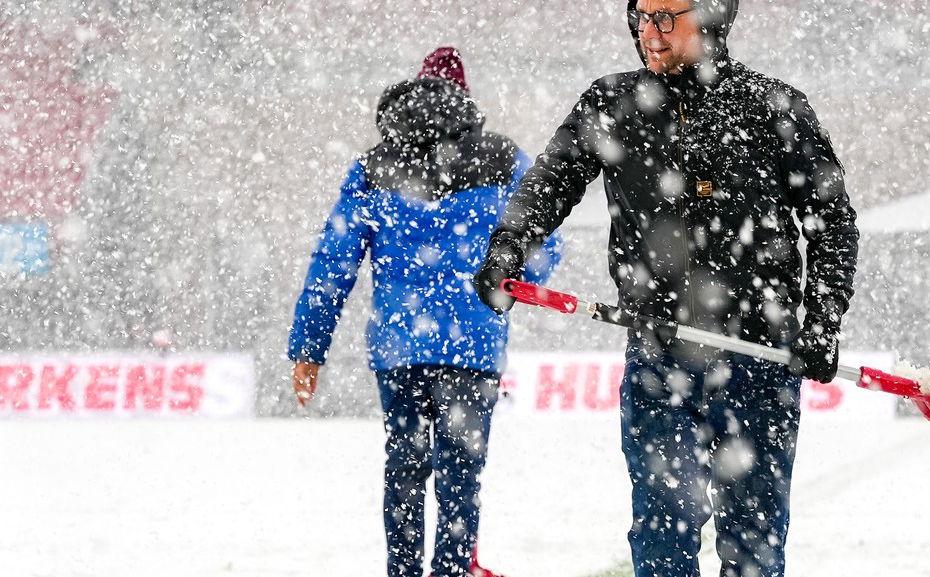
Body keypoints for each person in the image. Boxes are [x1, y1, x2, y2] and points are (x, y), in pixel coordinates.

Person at [472, 2, 859, 576]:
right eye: (641, 15)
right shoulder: (611, 103)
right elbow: (551, 182)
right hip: (658, 355)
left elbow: (832, 222)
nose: (648, 33)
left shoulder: (774, 108)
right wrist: (509, 243)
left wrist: (822, 322)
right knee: (661, 535)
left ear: (711, 18)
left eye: (666, 17)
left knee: (753, 544)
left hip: (759, 359)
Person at [288, 47, 562, 577]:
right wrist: (514, 283)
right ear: (464, 99)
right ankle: (454, 570)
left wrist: (309, 348)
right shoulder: (502, 158)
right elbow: (543, 241)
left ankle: (403, 571)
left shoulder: (373, 166)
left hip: (400, 345)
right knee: (462, 476)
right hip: (474, 342)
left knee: (405, 470)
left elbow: (333, 263)